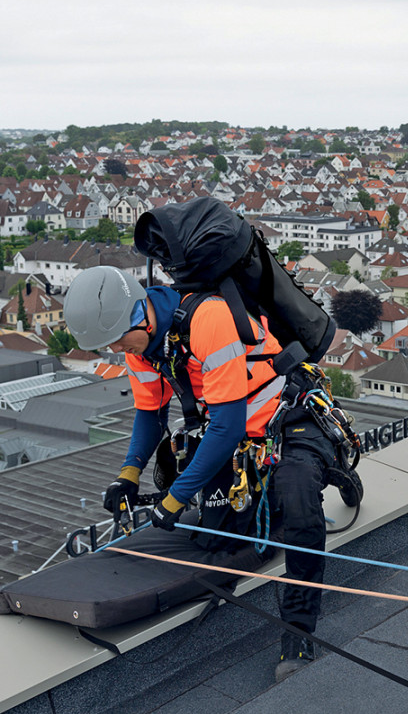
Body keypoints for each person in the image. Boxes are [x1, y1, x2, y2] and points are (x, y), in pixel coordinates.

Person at [64, 265, 335, 681]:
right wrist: (128, 476)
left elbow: (225, 427)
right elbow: (149, 416)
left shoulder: (208, 319)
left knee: (300, 506)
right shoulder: (142, 345)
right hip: (238, 440)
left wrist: (174, 501)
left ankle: (298, 631)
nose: (120, 349)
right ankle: (266, 505)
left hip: (287, 416)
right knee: (215, 539)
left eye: (119, 340)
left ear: (141, 314)